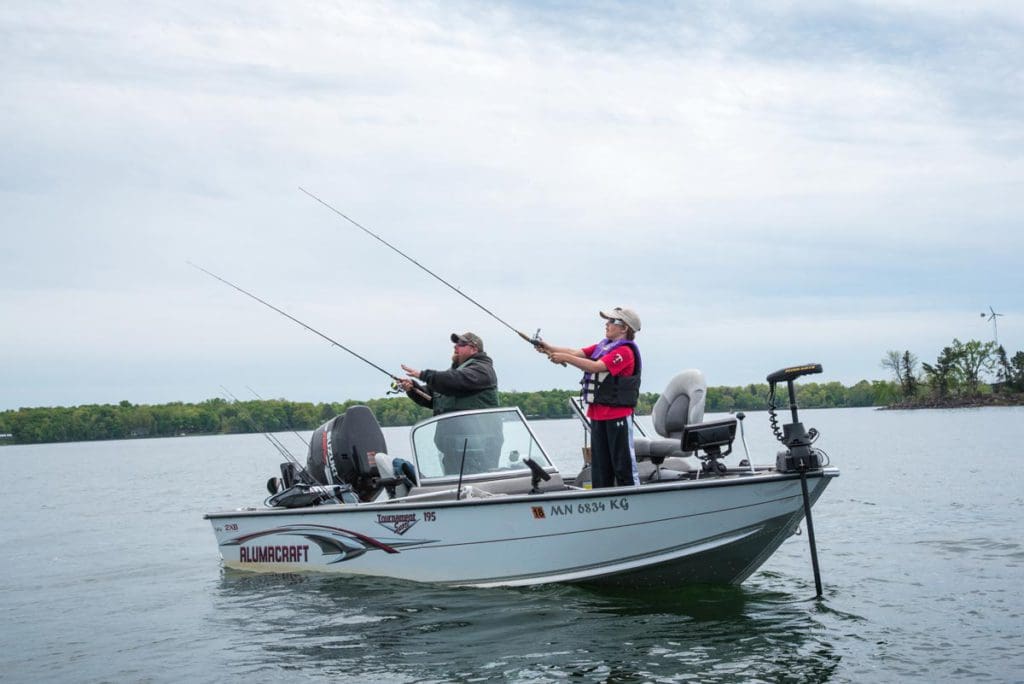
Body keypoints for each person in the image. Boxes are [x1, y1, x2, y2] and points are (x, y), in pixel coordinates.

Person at [536, 307, 642, 488]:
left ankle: (633, 496)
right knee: (600, 467)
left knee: (622, 465)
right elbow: (574, 352)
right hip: (598, 415)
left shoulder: (624, 352)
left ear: (624, 328)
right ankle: (603, 498)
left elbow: (595, 367)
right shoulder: (603, 346)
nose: (606, 324)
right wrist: (547, 347)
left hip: (618, 416)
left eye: (611, 321)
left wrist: (565, 359)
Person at [399, 332, 500, 474]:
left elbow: (455, 380)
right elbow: (433, 398)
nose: (456, 347)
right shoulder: (454, 373)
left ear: (474, 349)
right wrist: (413, 388)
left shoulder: (482, 370)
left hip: (477, 451)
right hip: (453, 451)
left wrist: (424, 375)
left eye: (461, 344)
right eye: (455, 344)